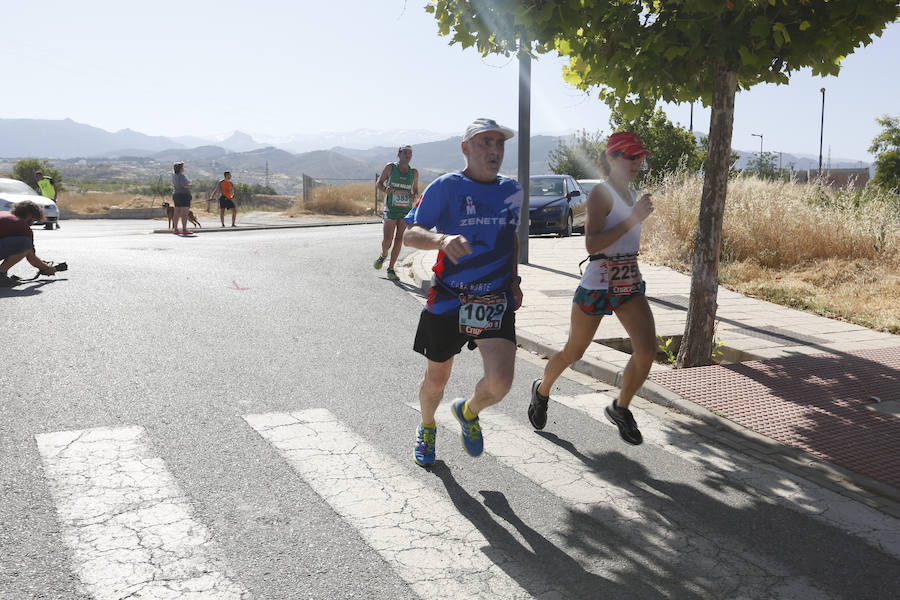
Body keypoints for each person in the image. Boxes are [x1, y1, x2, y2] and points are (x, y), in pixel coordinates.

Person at [403, 118, 523, 467]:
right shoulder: (446, 187)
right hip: (450, 299)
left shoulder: (511, 190)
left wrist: (513, 281)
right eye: (486, 142)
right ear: (466, 148)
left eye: (499, 144)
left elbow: (510, 237)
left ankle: (468, 412)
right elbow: (411, 234)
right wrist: (441, 240)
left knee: (500, 382)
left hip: (494, 300)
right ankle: (427, 427)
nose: (495, 150)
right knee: (437, 378)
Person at [527, 131, 656, 446]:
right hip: (598, 283)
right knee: (574, 351)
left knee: (647, 349)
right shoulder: (601, 193)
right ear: (611, 158)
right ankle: (541, 390)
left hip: (628, 281)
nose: (637, 162)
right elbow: (592, 242)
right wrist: (634, 219)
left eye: (640, 156)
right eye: (629, 156)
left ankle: (620, 407)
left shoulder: (632, 193)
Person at [374, 145, 418, 281]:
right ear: (398, 155)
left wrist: (413, 196)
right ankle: (383, 254)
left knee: (399, 239)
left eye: (410, 153)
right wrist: (385, 189)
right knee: (388, 239)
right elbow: (379, 183)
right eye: (405, 153)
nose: (408, 155)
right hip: (391, 209)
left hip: (405, 210)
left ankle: (391, 268)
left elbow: (415, 191)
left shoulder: (414, 172)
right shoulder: (390, 167)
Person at [0, 200, 57, 287]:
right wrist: (47, 268)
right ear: (29, 215)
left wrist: (42, 263)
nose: (32, 224)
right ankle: (1, 274)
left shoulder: (3, 214)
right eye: (34, 220)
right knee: (25, 243)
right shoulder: (22, 226)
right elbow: (31, 257)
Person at [171, 162, 194, 235]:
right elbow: (185, 185)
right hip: (184, 195)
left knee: (176, 212)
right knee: (184, 212)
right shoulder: (181, 176)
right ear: (180, 169)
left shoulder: (174, 175)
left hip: (176, 194)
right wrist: (190, 185)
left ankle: (176, 229)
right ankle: (184, 229)